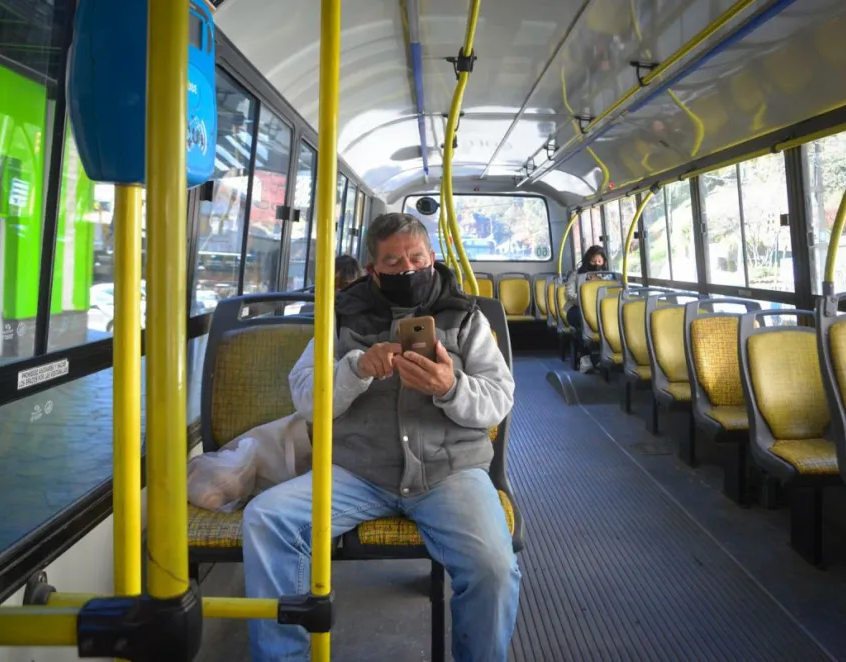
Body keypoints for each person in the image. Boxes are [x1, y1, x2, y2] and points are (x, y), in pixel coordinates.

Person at [243, 212, 520, 662]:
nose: (406, 269)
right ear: (372, 270)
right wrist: (354, 370)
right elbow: (306, 398)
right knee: (267, 519)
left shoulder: (465, 316)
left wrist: (450, 388)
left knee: (494, 568)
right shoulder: (340, 316)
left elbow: (498, 399)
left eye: (415, 258)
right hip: (358, 471)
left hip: (449, 472)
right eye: (392, 262)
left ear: (432, 257)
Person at [563, 245, 608, 330]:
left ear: (604, 262)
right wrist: (586, 301)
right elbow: (569, 294)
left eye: (599, 261)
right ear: (587, 261)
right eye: (593, 261)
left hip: (601, 307)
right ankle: (581, 341)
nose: (596, 264)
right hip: (577, 307)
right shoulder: (576, 275)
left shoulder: (608, 276)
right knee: (582, 317)